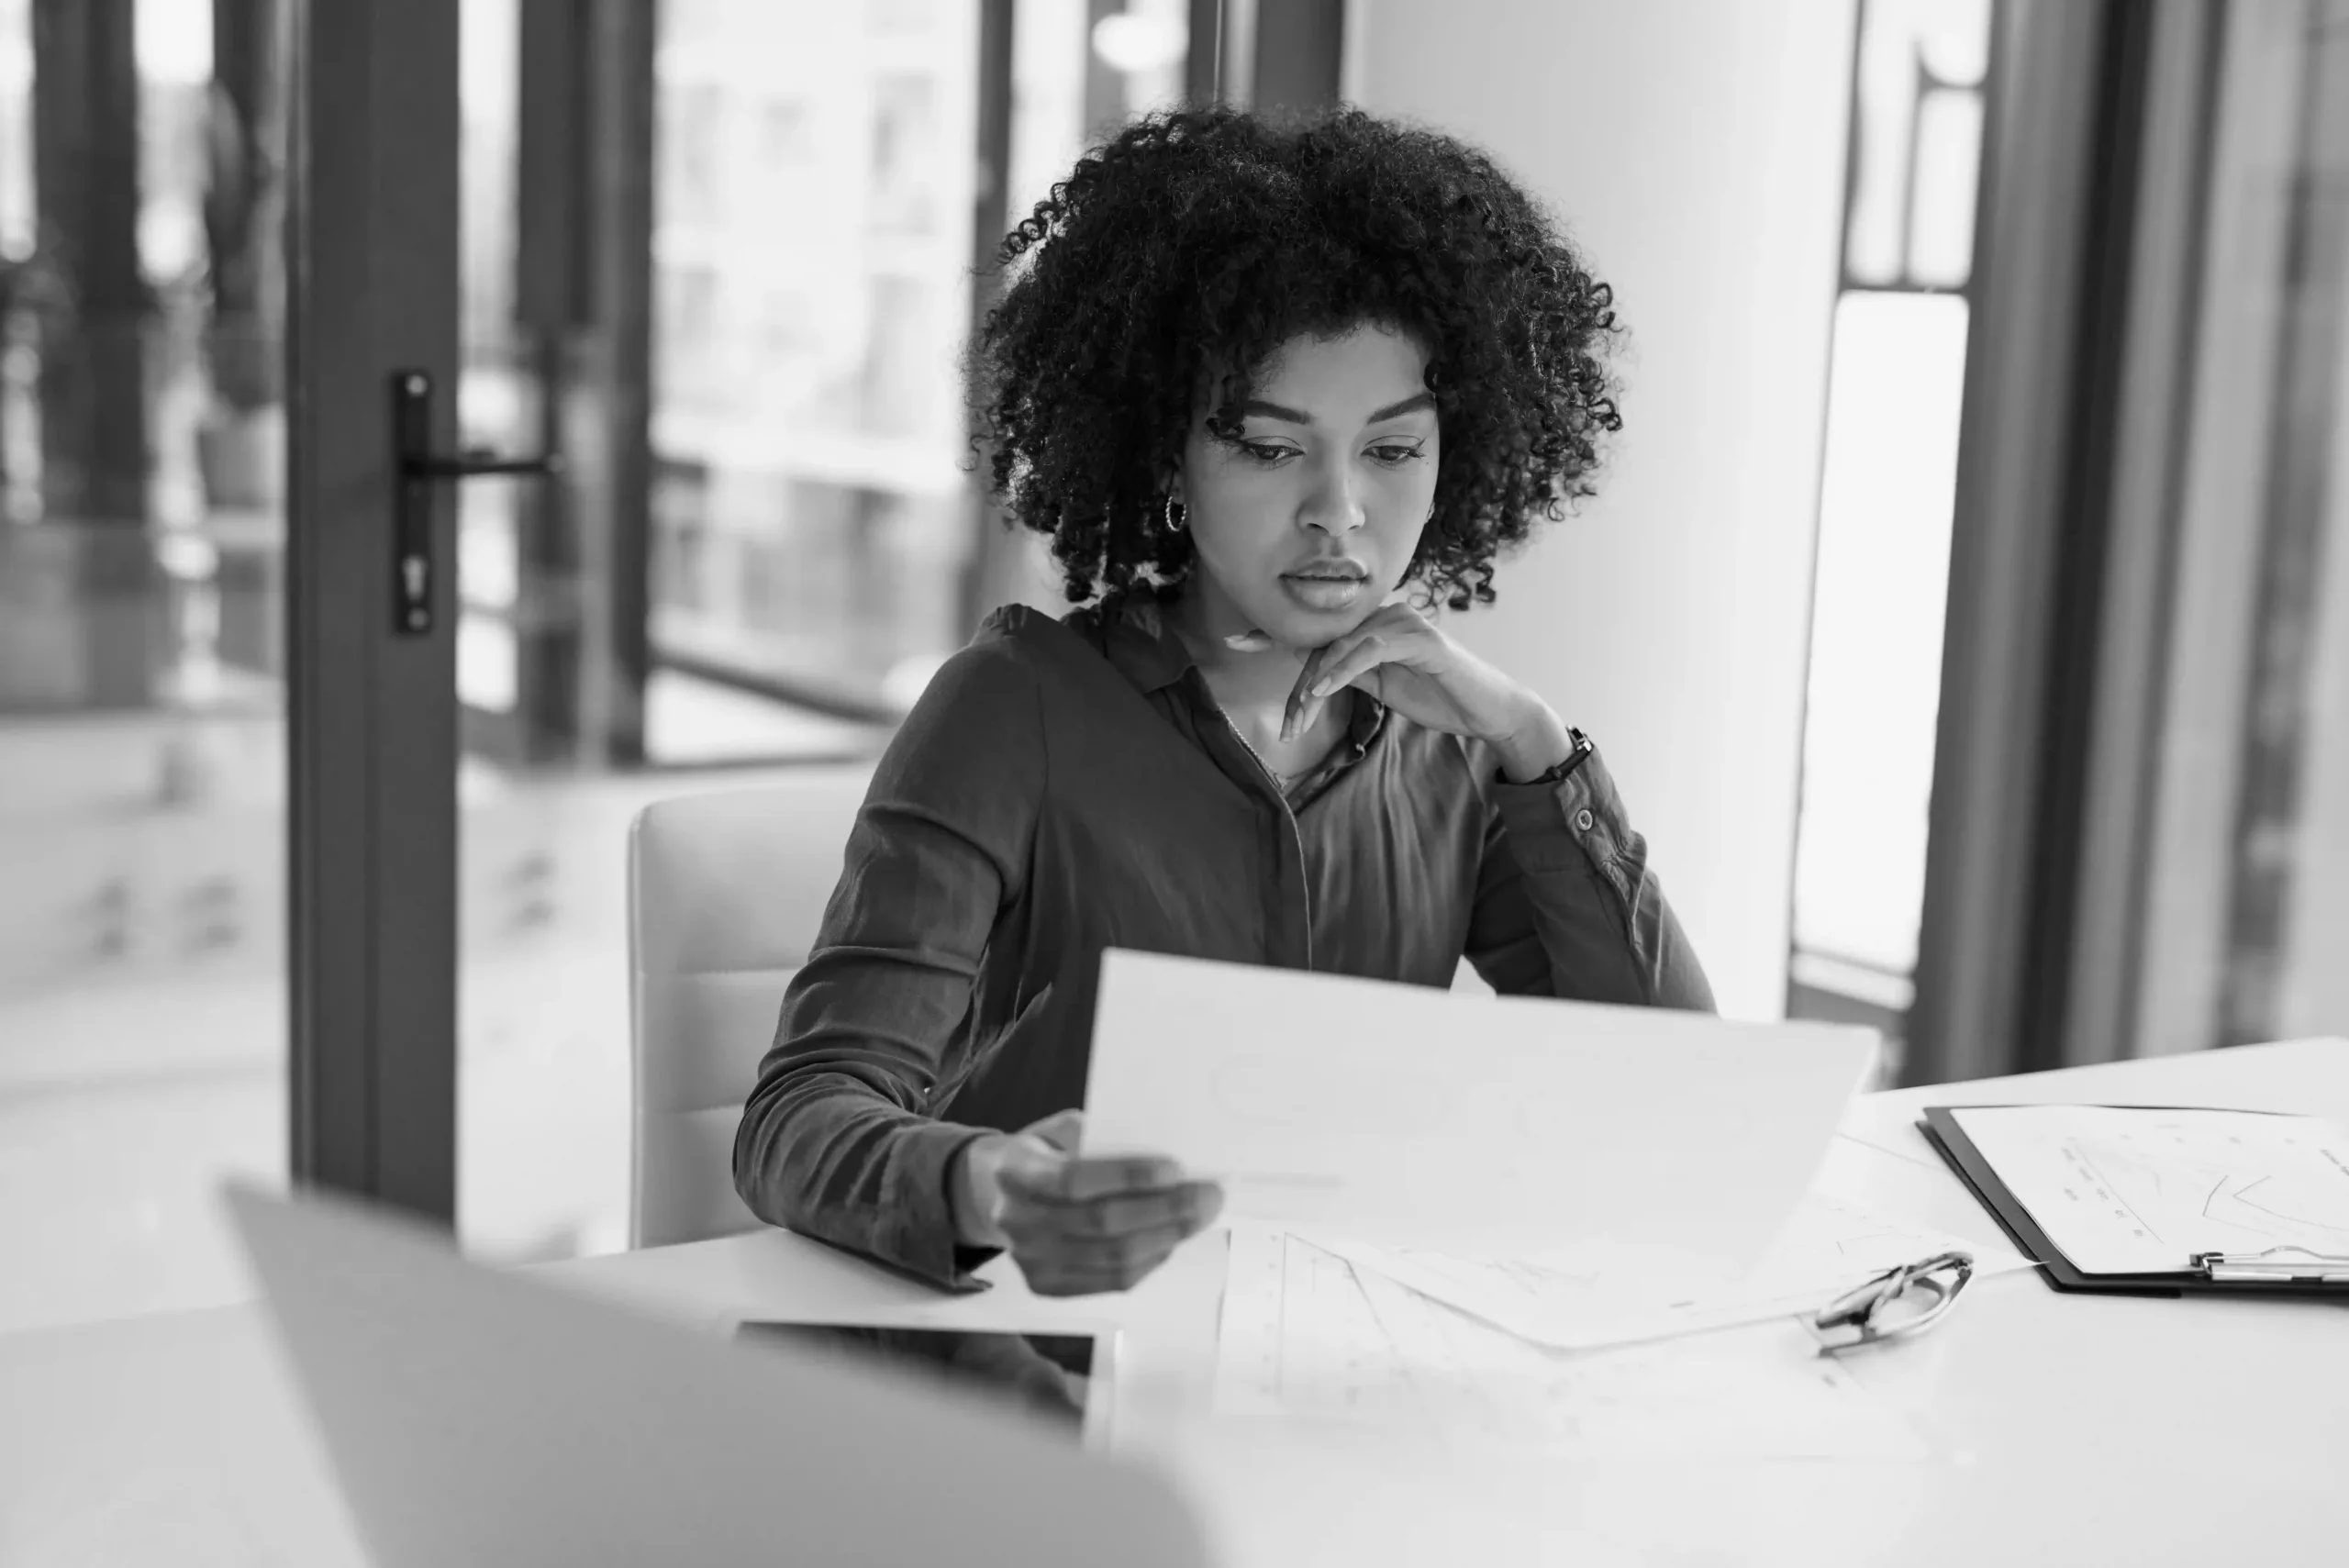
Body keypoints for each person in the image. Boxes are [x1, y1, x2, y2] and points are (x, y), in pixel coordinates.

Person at [733, 103, 1714, 1299]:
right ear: (1165, 454)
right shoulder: (1014, 708)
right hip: (1046, 1368)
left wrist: (1535, 744)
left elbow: (1672, 1093)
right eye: (1267, 446)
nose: (1340, 511)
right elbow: (797, 1117)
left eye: (1394, 451)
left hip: (1331, 1361)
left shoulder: (1461, 747)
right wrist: (990, 1184)